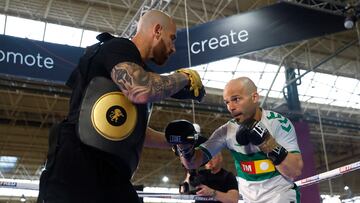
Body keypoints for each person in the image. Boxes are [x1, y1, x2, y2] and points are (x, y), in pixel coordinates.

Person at [37, 10, 204, 203]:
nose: (173, 48)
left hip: (112, 176)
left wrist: (174, 140)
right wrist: (185, 77)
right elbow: (140, 89)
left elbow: (130, 130)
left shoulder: (139, 70)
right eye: (172, 38)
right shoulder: (117, 47)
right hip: (76, 169)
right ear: (157, 30)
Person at [177, 77, 303, 203]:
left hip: (281, 197)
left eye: (236, 99)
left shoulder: (278, 124)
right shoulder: (226, 131)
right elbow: (193, 162)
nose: (231, 107)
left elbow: (294, 171)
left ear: (254, 98)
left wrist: (267, 142)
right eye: (227, 102)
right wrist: (183, 146)